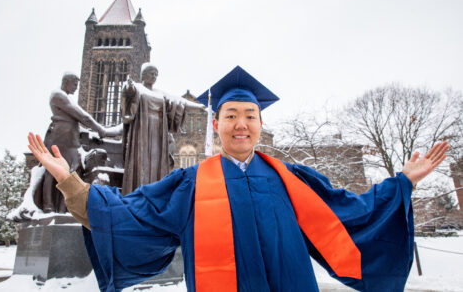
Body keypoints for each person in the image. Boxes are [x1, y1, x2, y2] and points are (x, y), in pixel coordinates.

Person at [27, 66, 449, 292]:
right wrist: (72, 184)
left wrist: (402, 183)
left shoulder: (291, 179)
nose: (241, 124)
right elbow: (134, 213)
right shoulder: (191, 183)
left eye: (249, 116)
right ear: (217, 124)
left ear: (260, 124)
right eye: (231, 116)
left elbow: (350, 212)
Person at [120, 63, 201, 194]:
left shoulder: (160, 93)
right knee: (142, 163)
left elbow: (180, 102)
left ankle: (156, 193)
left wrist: (201, 108)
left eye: (156, 74)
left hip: (158, 133)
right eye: (151, 73)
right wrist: (128, 88)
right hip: (142, 131)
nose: (154, 76)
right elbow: (128, 96)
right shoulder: (137, 88)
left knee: (157, 162)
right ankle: (138, 192)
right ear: (143, 74)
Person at [41, 73, 107, 213]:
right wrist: (101, 129)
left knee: (72, 170)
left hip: (70, 138)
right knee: (53, 170)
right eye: (75, 84)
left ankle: (63, 206)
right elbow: (82, 116)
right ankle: (48, 205)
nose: (76, 88)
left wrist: (94, 134)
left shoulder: (64, 96)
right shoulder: (58, 95)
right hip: (60, 137)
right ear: (66, 82)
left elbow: (75, 121)